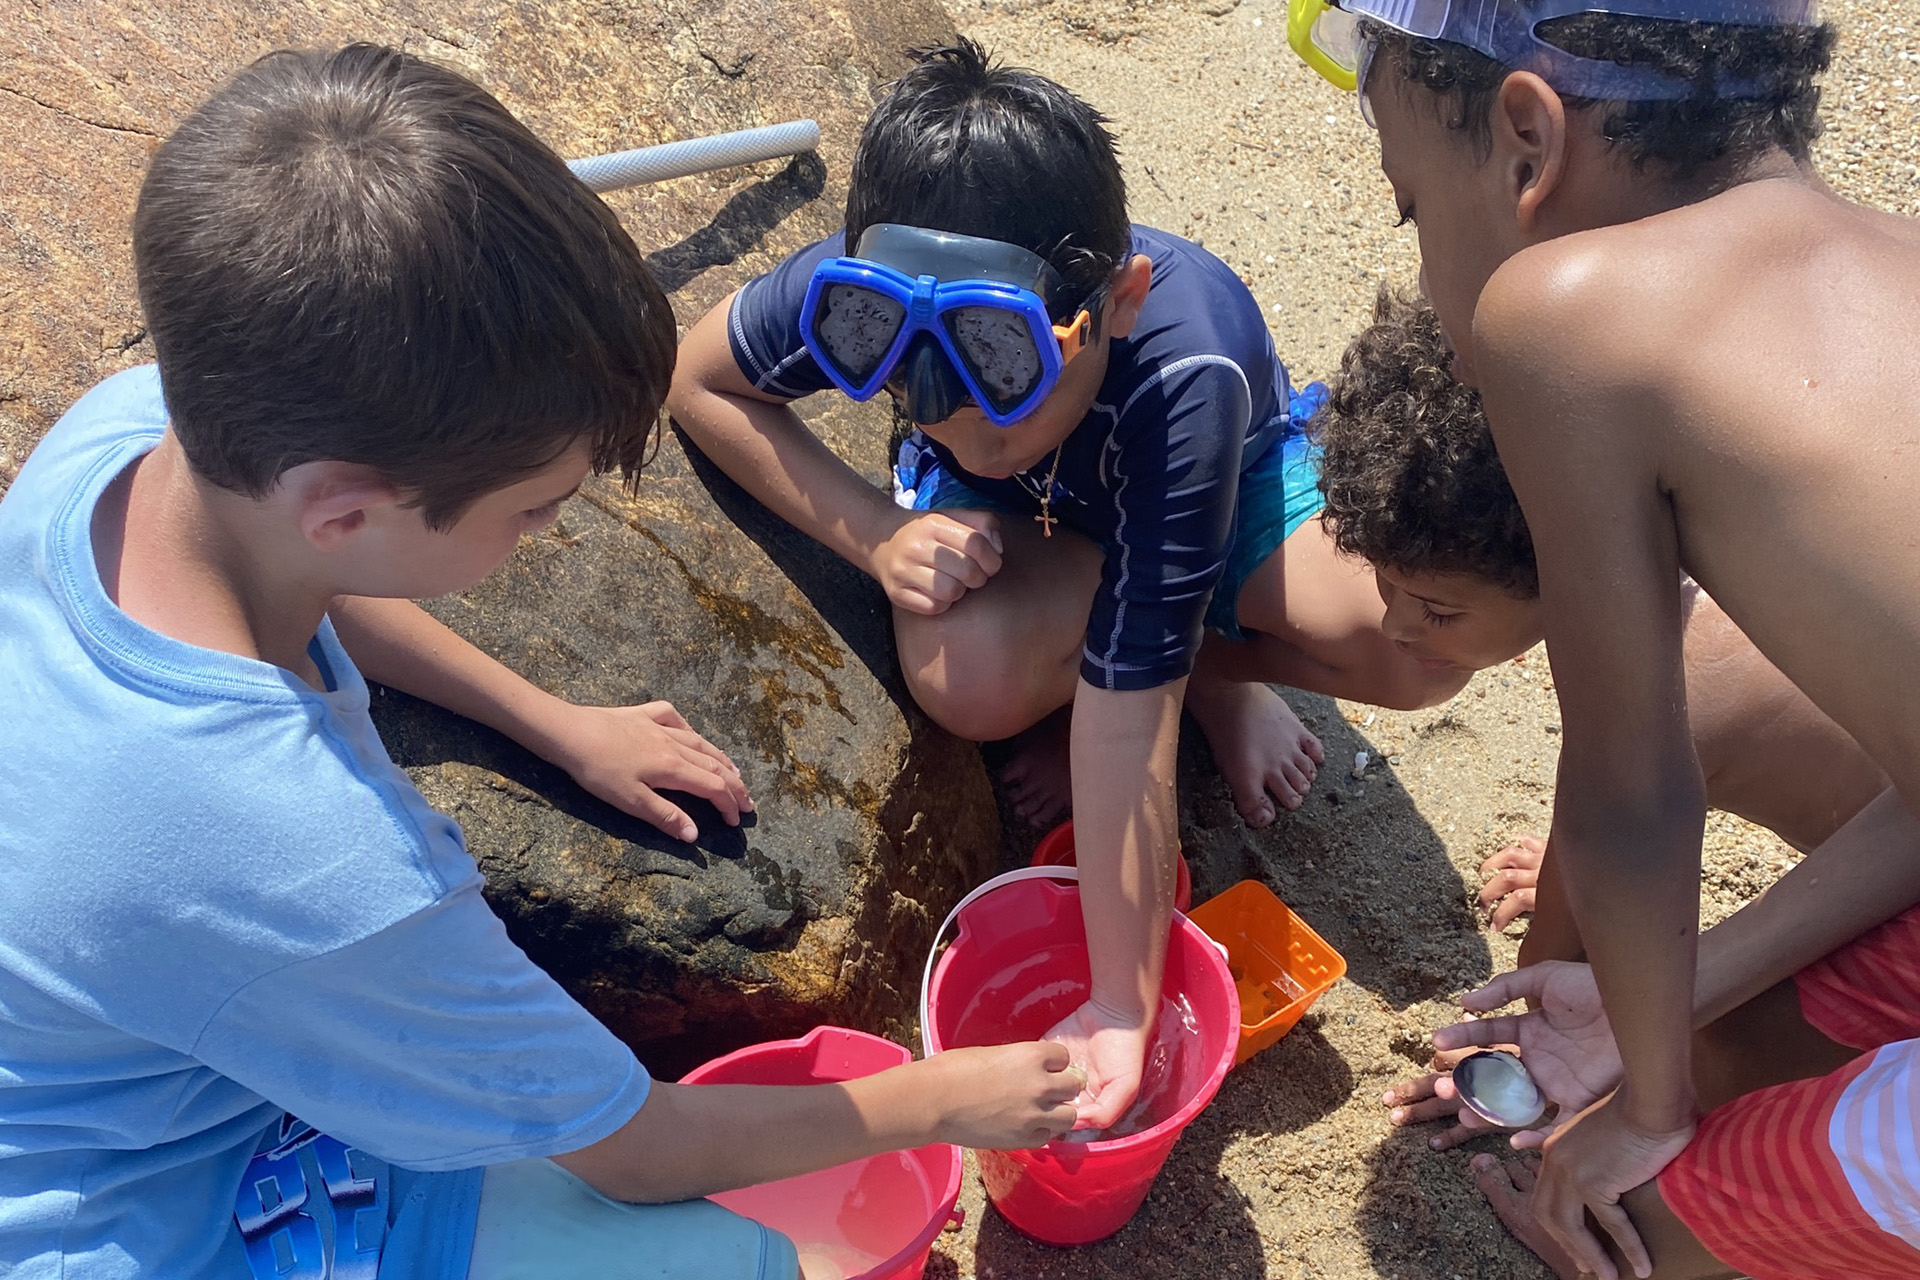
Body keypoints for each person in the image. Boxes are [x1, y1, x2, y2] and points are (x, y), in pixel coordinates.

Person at [0, 45, 1080, 1280]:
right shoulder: (320, 859)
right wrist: (948, 1098)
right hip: (146, 1216)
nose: (549, 534)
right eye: (533, 509)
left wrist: (554, 722)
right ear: (345, 509)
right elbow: (638, 1146)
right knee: (751, 1265)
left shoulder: (138, 430)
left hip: (153, 1060)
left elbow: (310, 598)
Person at [668, 37, 1462, 1130]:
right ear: (864, 288)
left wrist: (1118, 1006)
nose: (951, 413)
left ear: (1121, 297)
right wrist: (875, 535)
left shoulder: (1186, 367)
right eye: (904, 365)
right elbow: (697, 378)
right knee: (969, 676)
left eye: (1000, 366)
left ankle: (1210, 671)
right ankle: (1142, 643)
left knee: (1402, 645)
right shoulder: (857, 281)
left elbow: (1129, 724)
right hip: (1041, 525)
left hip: (1205, 493)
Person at [1287, 2, 1920, 1278]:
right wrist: (1662, 1014)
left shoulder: (1561, 315)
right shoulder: (1890, 259)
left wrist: (1646, 1115)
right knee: (1724, 1045)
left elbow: (1633, 794)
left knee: (1656, 1216)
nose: (1428, 276)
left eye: (1414, 209)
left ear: (1527, 141)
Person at [1303, 289, 1890, 1154]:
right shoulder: (1687, 549)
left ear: (1556, 558)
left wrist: (1522, 1056)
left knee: (1700, 1059)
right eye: (1387, 587)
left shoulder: (1668, 675)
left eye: (1435, 607)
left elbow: (1564, 950)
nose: (1395, 626)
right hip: (1882, 834)